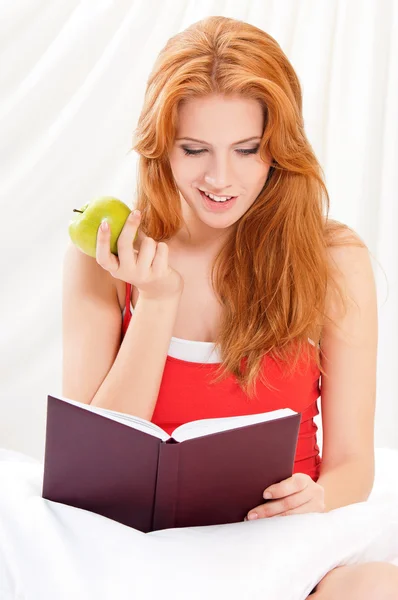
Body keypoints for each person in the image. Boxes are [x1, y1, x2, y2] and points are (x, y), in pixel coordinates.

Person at [61, 15, 398, 598]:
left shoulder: (333, 258)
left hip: (279, 541)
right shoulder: (108, 255)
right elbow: (93, 471)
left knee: (377, 588)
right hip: (144, 545)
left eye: (247, 150)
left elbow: (351, 464)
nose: (221, 178)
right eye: (195, 150)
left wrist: (317, 495)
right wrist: (159, 304)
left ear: (279, 147)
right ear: (161, 145)